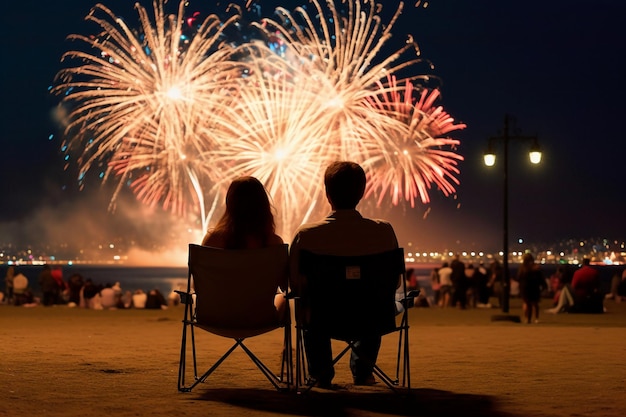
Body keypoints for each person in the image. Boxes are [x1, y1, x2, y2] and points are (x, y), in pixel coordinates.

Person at [289, 161, 399, 388]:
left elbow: (295, 284)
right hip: (371, 316)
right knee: (371, 300)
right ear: (362, 192)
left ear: (327, 193)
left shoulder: (307, 235)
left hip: (322, 318)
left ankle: (320, 373)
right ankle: (363, 371)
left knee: (309, 303)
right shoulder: (383, 231)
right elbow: (393, 282)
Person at [202, 176, 287, 318]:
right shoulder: (274, 243)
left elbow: (199, 286)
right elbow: (284, 285)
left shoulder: (212, 240)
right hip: (261, 317)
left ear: (230, 203)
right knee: (285, 298)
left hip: (216, 316)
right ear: (263, 205)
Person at [516, 253, 547, 323]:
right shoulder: (535, 268)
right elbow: (540, 277)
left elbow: (518, 277)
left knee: (526, 303)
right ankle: (536, 318)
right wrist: (543, 286)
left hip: (525, 287)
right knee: (534, 303)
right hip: (534, 286)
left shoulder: (522, 268)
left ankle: (527, 318)